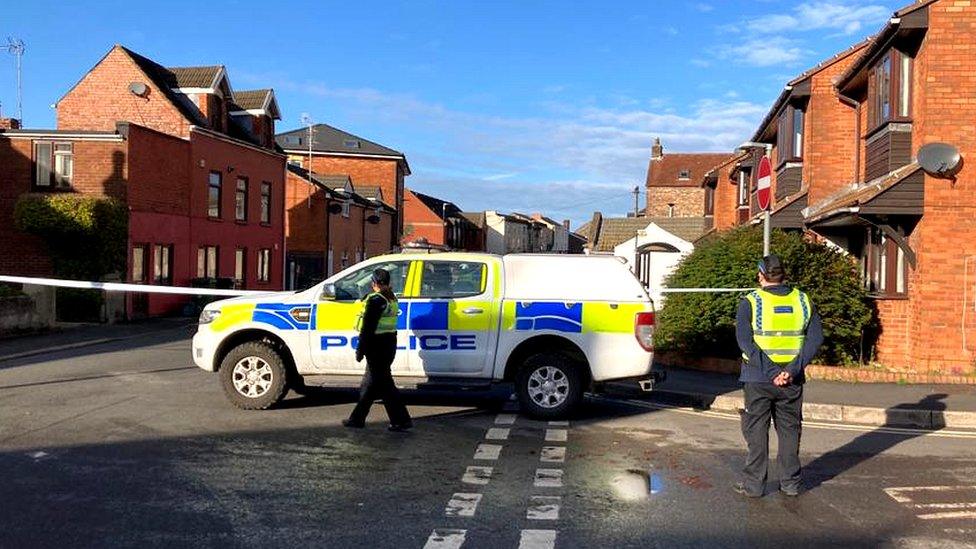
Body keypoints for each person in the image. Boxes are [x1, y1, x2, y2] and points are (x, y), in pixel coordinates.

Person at [733, 255, 823, 498]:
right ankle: (790, 484)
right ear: (783, 275)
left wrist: (772, 372)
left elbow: (745, 341)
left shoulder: (750, 302)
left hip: (758, 378)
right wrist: (790, 371)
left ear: (760, 275)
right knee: (790, 431)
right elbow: (815, 339)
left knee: (757, 431)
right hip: (791, 380)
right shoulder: (803, 301)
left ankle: (753, 486)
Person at [342, 268, 413, 432]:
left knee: (385, 385)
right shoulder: (391, 298)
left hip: (376, 346)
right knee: (370, 383)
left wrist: (360, 350)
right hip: (388, 344)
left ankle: (401, 420)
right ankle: (357, 419)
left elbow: (367, 328)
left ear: (374, 283)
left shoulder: (375, 299)